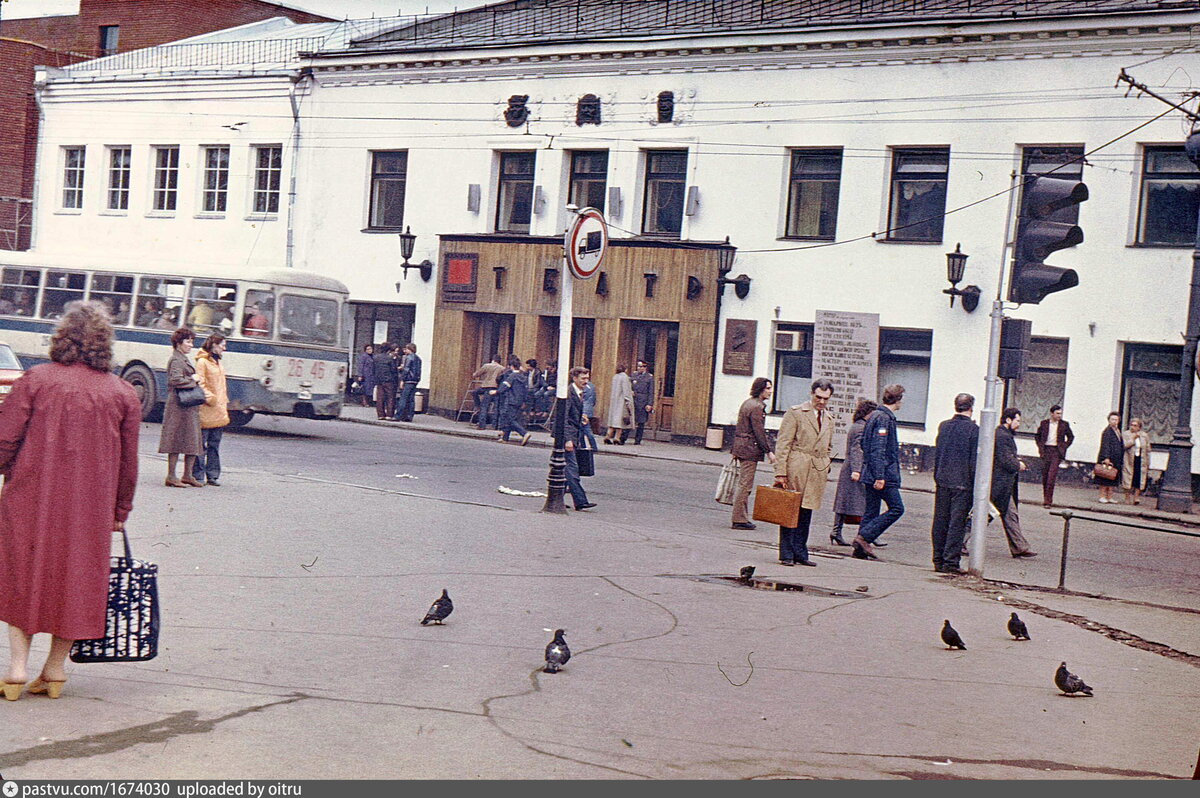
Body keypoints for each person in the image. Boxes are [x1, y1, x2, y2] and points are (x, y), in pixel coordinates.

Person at [0, 302, 141, 701]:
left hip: (30, 497)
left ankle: (15, 670)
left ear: (61, 337)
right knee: (77, 581)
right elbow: (129, 463)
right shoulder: (122, 392)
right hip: (91, 507)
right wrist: (120, 511)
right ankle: (55, 669)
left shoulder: (36, 379)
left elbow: (5, 439)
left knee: (22, 575)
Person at [771, 378, 835, 567]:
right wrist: (781, 472)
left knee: (806, 511)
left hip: (816, 470)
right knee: (790, 509)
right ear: (811, 394)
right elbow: (783, 444)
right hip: (797, 466)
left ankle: (800, 552)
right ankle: (786, 553)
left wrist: (826, 464)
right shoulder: (796, 413)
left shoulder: (829, 419)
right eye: (818, 397)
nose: (821, 402)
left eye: (826, 398)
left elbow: (829, 445)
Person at [854, 384, 906, 560]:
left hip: (870, 471)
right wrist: (880, 475)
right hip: (883, 473)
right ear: (898, 399)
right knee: (897, 508)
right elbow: (879, 448)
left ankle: (859, 549)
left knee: (871, 510)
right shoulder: (884, 418)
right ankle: (865, 537)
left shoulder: (875, 415)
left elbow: (863, 443)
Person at [930, 393, 978, 575]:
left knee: (940, 521)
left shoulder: (944, 426)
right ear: (971, 408)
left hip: (943, 480)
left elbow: (938, 452)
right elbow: (974, 461)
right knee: (956, 524)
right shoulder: (974, 430)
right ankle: (951, 562)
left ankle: (938, 559)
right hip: (963, 483)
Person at [159, 327, 204, 488]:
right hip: (179, 405)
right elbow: (174, 380)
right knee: (176, 439)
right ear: (178, 343)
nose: (191, 345)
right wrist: (194, 380)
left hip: (187, 404)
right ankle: (171, 475)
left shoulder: (182, 358)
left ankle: (187, 475)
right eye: (188, 341)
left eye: (192, 341)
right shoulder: (177, 360)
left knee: (192, 439)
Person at [730, 377, 777, 531]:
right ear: (760, 389)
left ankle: (740, 517)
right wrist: (769, 451)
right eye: (768, 388)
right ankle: (739, 519)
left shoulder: (748, 403)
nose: (770, 391)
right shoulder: (757, 407)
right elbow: (759, 432)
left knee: (743, 483)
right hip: (750, 448)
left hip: (742, 446)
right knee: (745, 485)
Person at [831, 398, 878, 546]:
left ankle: (839, 532)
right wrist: (857, 470)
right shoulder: (861, 428)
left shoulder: (857, 425)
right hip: (855, 468)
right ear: (868, 413)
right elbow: (856, 449)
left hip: (851, 467)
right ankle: (865, 535)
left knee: (846, 501)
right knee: (858, 502)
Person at [991, 407, 1036, 558]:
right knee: (987, 515)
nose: (1019, 424)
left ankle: (1019, 546)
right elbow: (1004, 459)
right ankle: (961, 542)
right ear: (1008, 420)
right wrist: (1018, 465)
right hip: (999, 484)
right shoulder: (1003, 436)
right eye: (1017, 421)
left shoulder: (1003, 434)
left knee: (1010, 514)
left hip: (1003, 484)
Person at [192, 333, 229, 487]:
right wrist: (211, 398)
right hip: (207, 409)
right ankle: (198, 474)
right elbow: (201, 384)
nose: (224, 349)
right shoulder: (202, 362)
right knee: (202, 443)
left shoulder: (217, 362)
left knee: (214, 444)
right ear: (214, 345)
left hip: (219, 410)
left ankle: (213, 475)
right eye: (222, 345)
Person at [564, 367, 596, 511]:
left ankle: (556, 496)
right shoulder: (568, 393)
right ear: (574, 378)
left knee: (561, 469)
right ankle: (580, 501)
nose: (586, 381)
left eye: (587, 378)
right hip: (567, 436)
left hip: (574, 434)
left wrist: (580, 417)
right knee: (572, 468)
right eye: (583, 378)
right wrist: (567, 439)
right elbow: (562, 417)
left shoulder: (579, 393)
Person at [1035, 404, 1075, 508]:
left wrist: (1064, 446)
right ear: (1051, 413)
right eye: (1057, 413)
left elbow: (1071, 437)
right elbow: (1037, 436)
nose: (1059, 416)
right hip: (1046, 451)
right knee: (1045, 476)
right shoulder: (1044, 424)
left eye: (1060, 413)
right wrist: (1040, 447)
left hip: (1056, 452)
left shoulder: (1064, 424)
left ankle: (1048, 501)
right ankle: (1045, 498)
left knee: (1051, 476)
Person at [492, 356, 532, 445]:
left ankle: (524, 433)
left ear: (511, 366)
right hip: (520, 401)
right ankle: (505, 438)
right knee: (510, 419)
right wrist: (525, 402)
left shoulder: (512, 376)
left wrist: (496, 392)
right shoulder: (523, 377)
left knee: (510, 419)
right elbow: (526, 390)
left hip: (511, 400)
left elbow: (505, 386)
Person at [470, 355, 506, 429]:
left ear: (493, 360)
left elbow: (476, 374)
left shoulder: (487, 366)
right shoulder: (502, 368)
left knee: (482, 403)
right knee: (496, 407)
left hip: (486, 387)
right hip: (496, 388)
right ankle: (495, 425)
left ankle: (481, 424)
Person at [1096, 411, 1123, 504]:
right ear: (1108, 420)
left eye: (1116, 419)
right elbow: (1105, 445)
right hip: (1108, 458)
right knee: (1105, 477)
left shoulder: (1117, 431)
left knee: (1112, 477)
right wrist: (1106, 457)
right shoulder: (1107, 431)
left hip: (1116, 458)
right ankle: (1102, 496)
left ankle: (1110, 496)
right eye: (1112, 419)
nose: (1114, 421)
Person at [1122, 417, 1151, 505]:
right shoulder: (1126, 434)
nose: (1133, 427)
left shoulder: (1144, 435)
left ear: (1139, 427)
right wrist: (1133, 439)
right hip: (1129, 459)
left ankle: (1136, 497)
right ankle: (1127, 497)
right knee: (1128, 478)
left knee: (1138, 479)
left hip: (1140, 459)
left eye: (1135, 426)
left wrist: (1148, 462)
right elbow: (1125, 445)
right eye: (1131, 425)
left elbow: (1147, 449)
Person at [604, 365, 634, 445]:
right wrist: (629, 401)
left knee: (613, 421)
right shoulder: (625, 377)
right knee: (620, 422)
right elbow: (626, 391)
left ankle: (608, 436)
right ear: (625, 370)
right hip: (622, 402)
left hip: (614, 401)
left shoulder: (615, 377)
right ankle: (617, 438)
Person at [629, 360, 656, 445]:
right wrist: (630, 391)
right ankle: (623, 438)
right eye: (638, 366)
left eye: (641, 366)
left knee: (641, 422)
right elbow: (629, 386)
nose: (639, 368)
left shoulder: (649, 377)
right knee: (629, 419)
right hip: (633, 400)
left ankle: (637, 440)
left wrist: (649, 404)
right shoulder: (634, 375)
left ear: (645, 367)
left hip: (643, 401)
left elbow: (651, 392)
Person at [394, 342, 422, 422]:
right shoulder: (418, 358)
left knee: (403, 398)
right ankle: (409, 416)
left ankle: (398, 415)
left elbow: (407, 370)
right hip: (415, 380)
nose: (405, 351)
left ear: (410, 349)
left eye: (406, 349)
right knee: (411, 399)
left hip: (408, 380)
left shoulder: (409, 358)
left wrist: (402, 380)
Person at [373, 343, 398, 420]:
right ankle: (389, 414)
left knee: (380, 398)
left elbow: (373, 369)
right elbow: (393, 370)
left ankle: (380, 414)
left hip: (379, 380)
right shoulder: (390, 358)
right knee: (390, 397)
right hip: (389, 380)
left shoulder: (376, 357)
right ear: (388, 349)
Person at [354, 344, 376, 408]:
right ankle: (364, 402)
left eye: (371, 349)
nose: (370, 350)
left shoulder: (373, 356)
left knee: (370, 389)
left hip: (372, 375)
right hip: (365, 375)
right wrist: (360, 375)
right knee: (364, 389)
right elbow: (360, 366)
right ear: (365, 350)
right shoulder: (363, 356)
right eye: (368, 349)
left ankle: (370, 402)